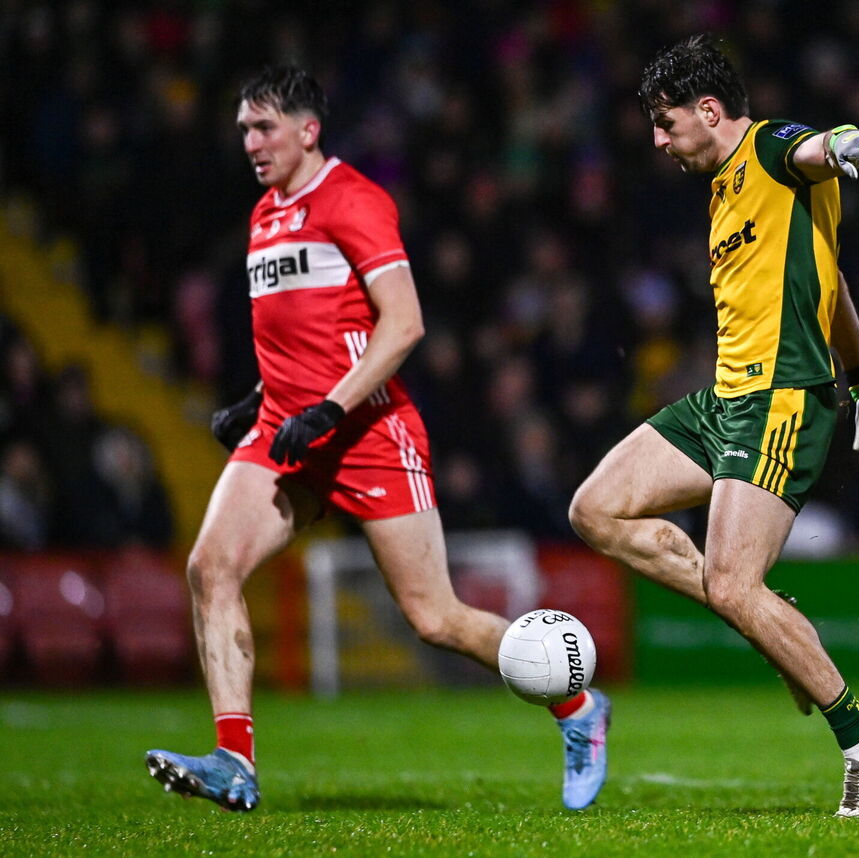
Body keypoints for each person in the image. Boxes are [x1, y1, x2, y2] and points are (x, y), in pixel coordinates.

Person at [144, 66, 610, 813]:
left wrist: (330, 409)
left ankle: (579, 708)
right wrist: (256, 401)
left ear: (308, 130)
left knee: (435, 618)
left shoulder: (353, 200)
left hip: (367, 430)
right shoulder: (264, 215)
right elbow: (311, 330)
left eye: (263, 128)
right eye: (244, 130)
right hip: (287, 430)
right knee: (211, 568)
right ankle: (235, 761)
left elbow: (403, 323)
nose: (251, 143)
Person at [568, 35, 859, 818]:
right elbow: (831, 284)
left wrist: (843, 141)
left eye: (665, 123)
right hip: (726, 399)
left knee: (735, 584)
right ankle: (766, 618)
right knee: (595, 511)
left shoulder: (767, 149)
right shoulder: (724, 190)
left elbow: (811, 148)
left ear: (708, 111)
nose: (657, 141)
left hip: (782, 401)